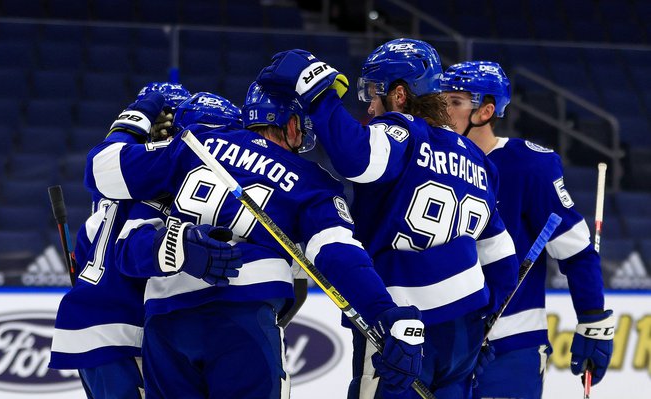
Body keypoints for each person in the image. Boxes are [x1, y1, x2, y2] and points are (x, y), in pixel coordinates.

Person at [83, 81, 425, 398]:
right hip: (244, 319)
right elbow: (339, 255)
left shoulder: (194, 143)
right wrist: (383, 313)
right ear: (292, 125)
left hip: (165, 321)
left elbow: (100, 171)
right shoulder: (312, 180)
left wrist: (138, 115)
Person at [255, 39, 520, 399]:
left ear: (399, 94)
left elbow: (357, 158)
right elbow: (502, 255)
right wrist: (485, 325)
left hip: (403, 324)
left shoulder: (404, 132)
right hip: (466, 326)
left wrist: (317, 92)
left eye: (374, 93)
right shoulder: (478, 158)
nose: (370, 105)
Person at [48, 83, 243, 399]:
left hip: (87, 322)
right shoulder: (163, 184)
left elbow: (86, 249)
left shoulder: (111, 188)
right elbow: (135, 250)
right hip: (124, 328)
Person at [439, 60, 614, 399]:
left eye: (455, 102)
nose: (444, 110)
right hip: (444, 345)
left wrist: (593, 320)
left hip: (510, 344)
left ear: (486, 110)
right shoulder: (431, 160)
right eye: (442, 100)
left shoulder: (528, 165)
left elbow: (576, 252)